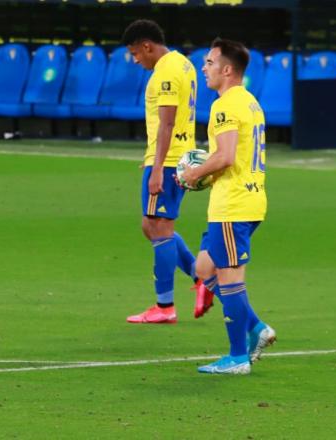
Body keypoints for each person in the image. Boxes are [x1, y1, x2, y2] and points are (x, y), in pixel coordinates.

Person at [180, 38, 276, 375]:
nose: (203, 68)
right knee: (204, 269)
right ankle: (256, 327)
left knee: (231, 280)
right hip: (241, 201)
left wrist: (194, 173)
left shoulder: (226, 106)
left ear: (226, 69)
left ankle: (237, 358)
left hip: (234, 205)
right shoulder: (248, 101)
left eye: (209, 62)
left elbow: (224, 156)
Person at [121, 19, 211, 324]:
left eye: (135, 53)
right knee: (151, 226)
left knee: (160, 229)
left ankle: (165, 306)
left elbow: (168, 122)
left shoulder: (166, 73)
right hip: (174, 156)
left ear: (147, 46)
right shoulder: (182, 64)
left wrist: (157, 165)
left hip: (169, 160)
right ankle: (200, 280)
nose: (136, 60)